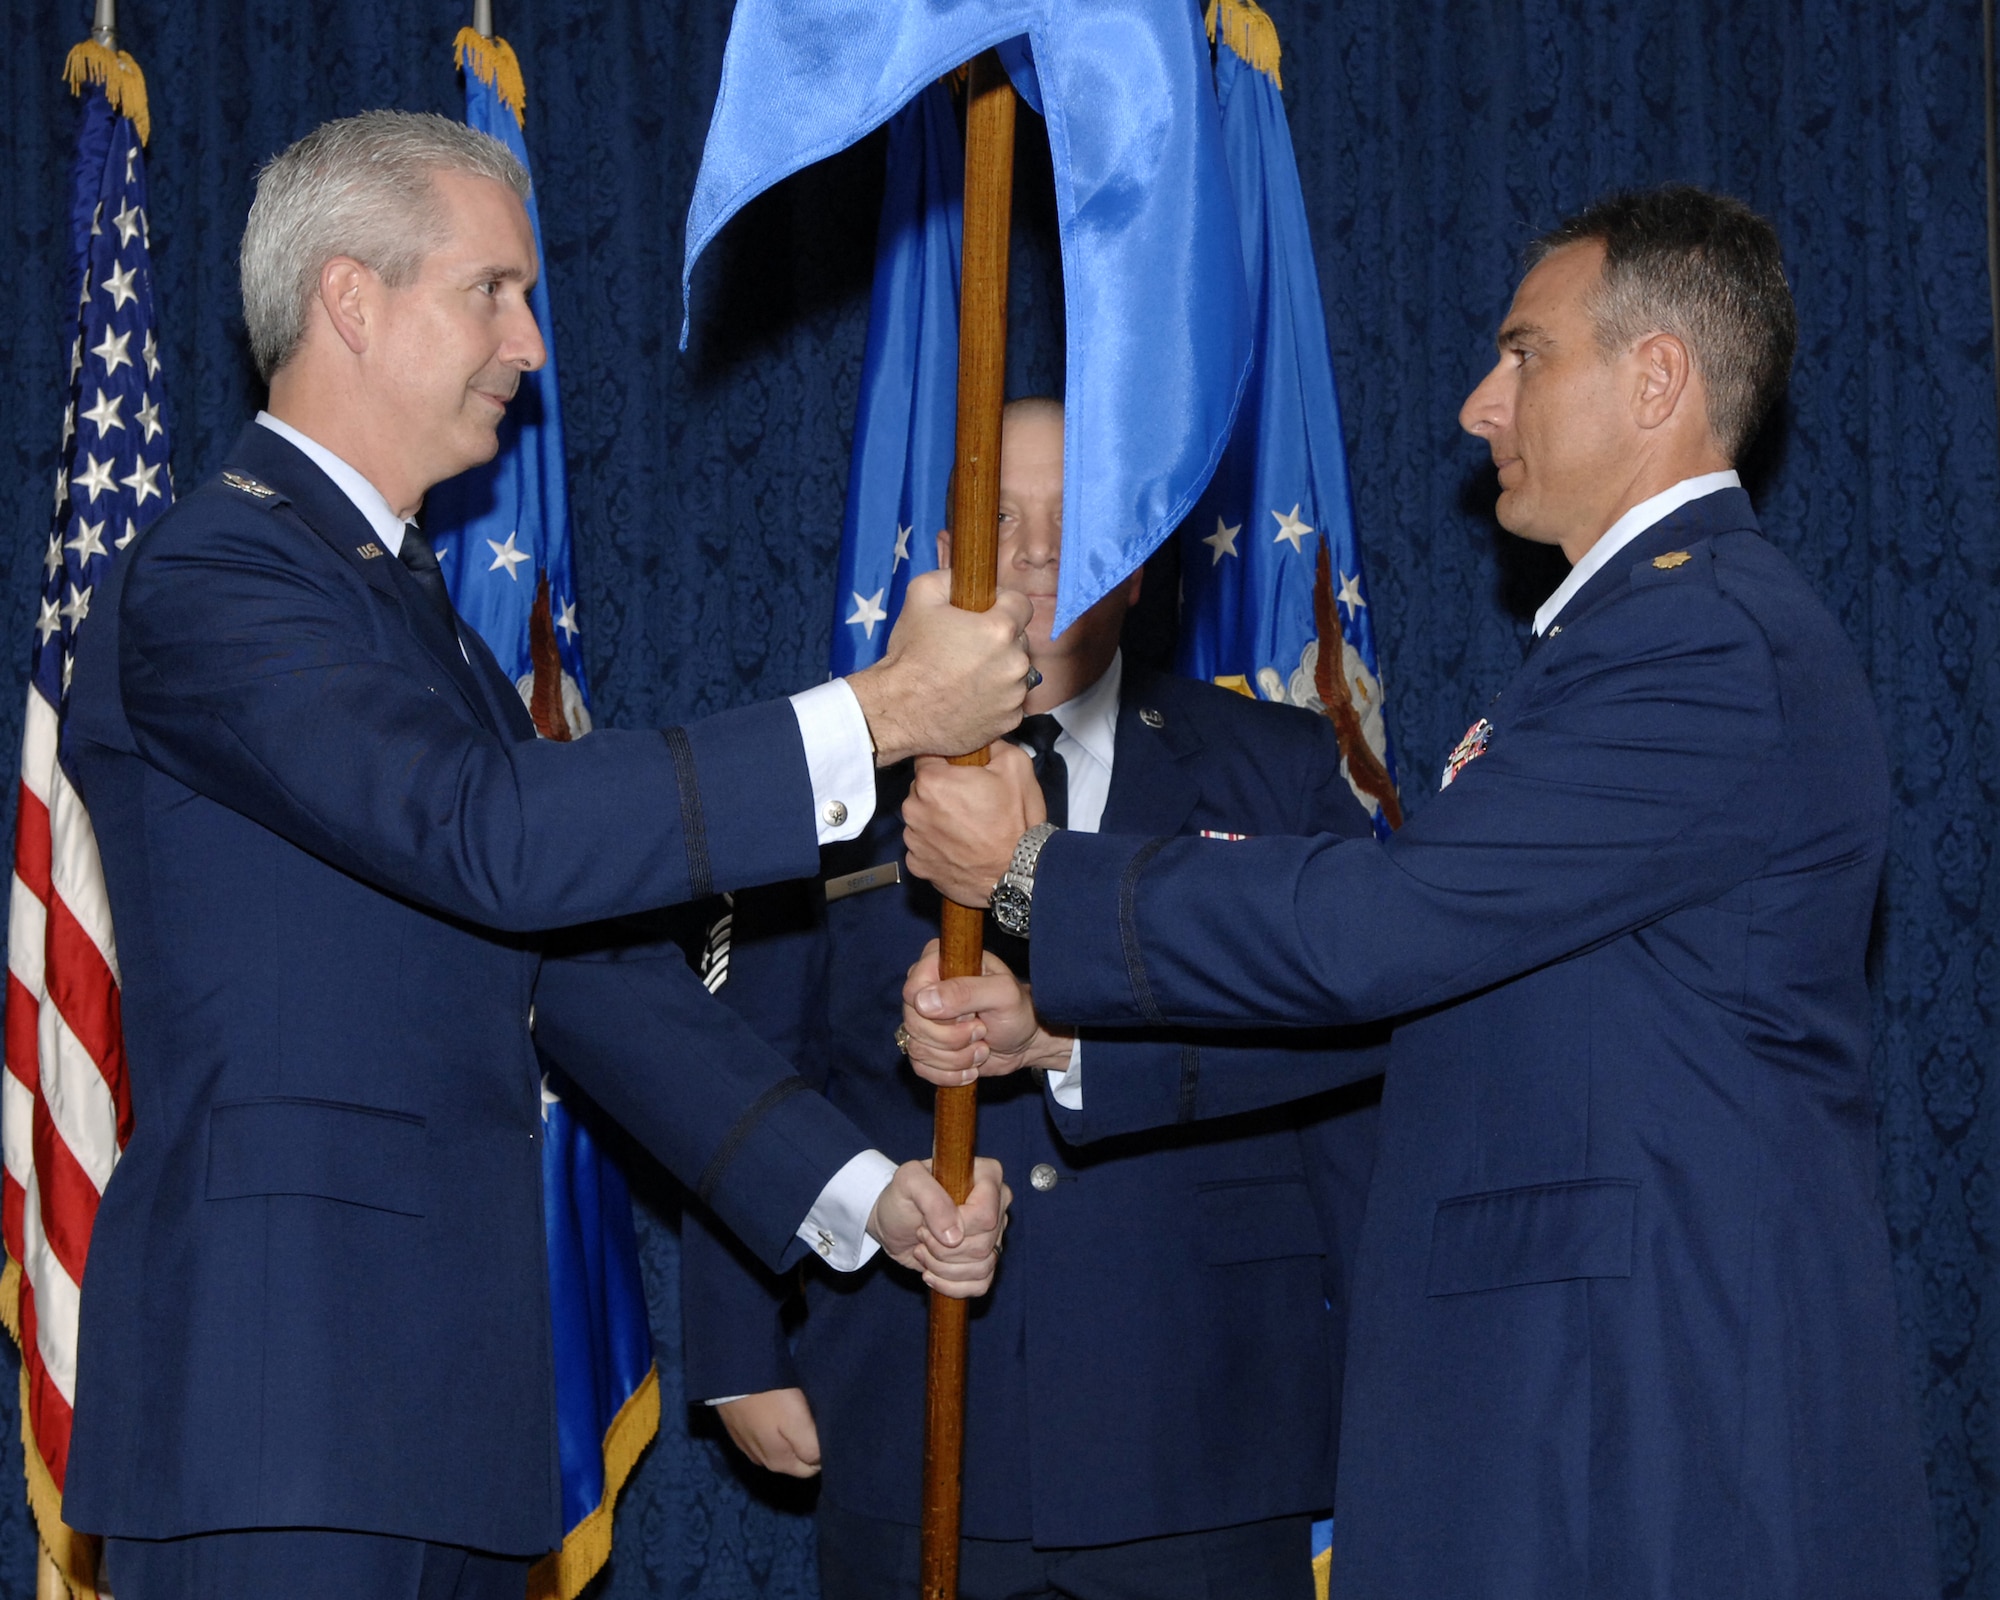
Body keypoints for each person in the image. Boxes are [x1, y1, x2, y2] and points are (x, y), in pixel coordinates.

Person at [897, 187, 1939, 1598]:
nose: (1476, 403)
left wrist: (1030, 872)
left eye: (1525, 355)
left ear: (1657, 379)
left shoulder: (1697, 643)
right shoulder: (1642, 640)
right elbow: (1432, 1006)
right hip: (1583, 1395)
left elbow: (1381, 932)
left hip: (1651, 1409)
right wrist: (1070, 1040)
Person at [58, 111, 1025, 1600]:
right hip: (278, 1423)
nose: (532, 344)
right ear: (352, 301)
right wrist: (883, 714)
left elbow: (573, 972)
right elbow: (493, 838)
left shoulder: (406, 609)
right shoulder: (214, 573)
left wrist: (854, 1187)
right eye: (492, 292)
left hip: (441, 1422)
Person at [680, 397, 1381, 1600]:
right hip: (915, 1403)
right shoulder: (839, 767)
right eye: (996, 515)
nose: (1037, 551)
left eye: (1076, 519)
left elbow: (1352, 1050)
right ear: (943, 551)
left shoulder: (1274, 766)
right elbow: (739, 1063)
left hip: (1203, 1427)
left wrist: (1393, 1367)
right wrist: (737, 1349)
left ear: (1143, 552)